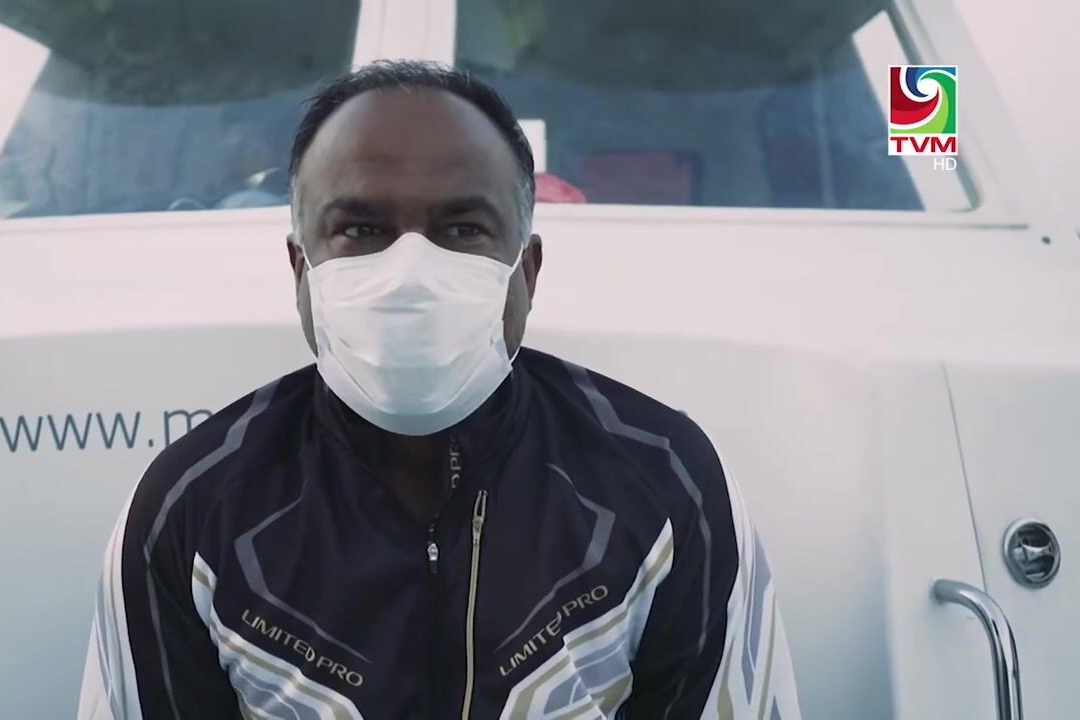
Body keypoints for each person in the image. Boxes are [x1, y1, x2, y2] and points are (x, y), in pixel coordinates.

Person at [78, 60, 800, 720]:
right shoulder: (193, 512)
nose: (410, 274)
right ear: (300, 270)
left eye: (461, 228)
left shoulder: (666, 484)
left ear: (527, 272)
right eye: (362, 228)